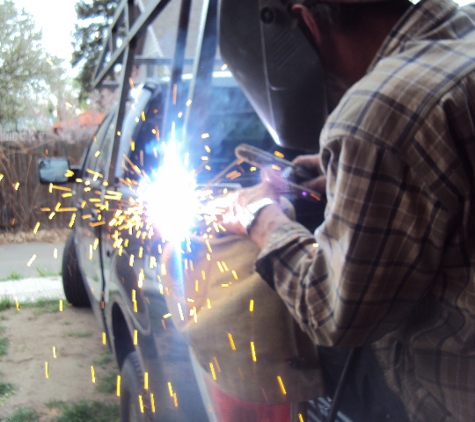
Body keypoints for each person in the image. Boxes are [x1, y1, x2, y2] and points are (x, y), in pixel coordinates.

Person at [219, 0, 475, 420]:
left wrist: (261, 216)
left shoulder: (375, 116)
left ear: (305, 22)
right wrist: (346, 170)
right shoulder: (463, 31)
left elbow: (333, 310)